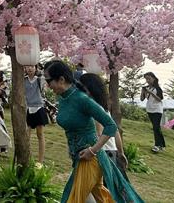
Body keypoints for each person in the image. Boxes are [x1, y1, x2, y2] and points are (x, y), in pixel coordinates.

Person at [44, 60, 143, 203]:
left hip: (91, 159)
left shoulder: (82, 99)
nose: (47, 85)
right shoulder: (63, 98)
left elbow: (111, 125)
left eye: (49, 81)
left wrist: (93, 150)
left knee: (72, 198)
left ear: (61, 79)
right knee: (102, 199)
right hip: (79, 157)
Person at [80, 73, 128, 179]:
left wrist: (92, 150)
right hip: (112, 151)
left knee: (105, 191)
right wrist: (120, 152)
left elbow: (99, 133)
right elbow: (114, 131)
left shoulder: (94, 108)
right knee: (117, 190)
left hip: (102, 153)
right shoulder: (104, 108)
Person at [24, 64, 49, 164]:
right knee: (26, 135)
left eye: (32, 66)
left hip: (39, 108)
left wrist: (42, 71)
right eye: (27, 66)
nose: (30, 68)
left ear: (36, 68)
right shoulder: (23, 80)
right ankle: (27, 158)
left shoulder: (39, 79)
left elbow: (46, 85)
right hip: (28, 108)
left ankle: (40, 161)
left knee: (40, 134)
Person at [140, 72, 165, 153]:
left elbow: (160, 99)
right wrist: (143, 92)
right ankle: (162, 145)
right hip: (150, 110)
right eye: (146, 79)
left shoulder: (157, 88)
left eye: (149, 78)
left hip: (157, 110)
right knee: (156, 128)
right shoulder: (147, 88)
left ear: (153, 78)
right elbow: (142, 99)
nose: (147, 80)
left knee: (156, 127)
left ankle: (157, 145)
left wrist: (151, 93)